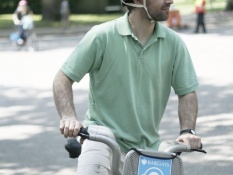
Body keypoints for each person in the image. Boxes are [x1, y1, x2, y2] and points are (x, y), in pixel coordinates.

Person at [53, 0, 202, 174]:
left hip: (146, 149)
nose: (170, 1)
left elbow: (187, 92)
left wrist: (187, 131)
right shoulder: (102, 35)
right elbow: (62, 78)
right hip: (101, 139)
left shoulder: (174, 43)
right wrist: (68, 116)